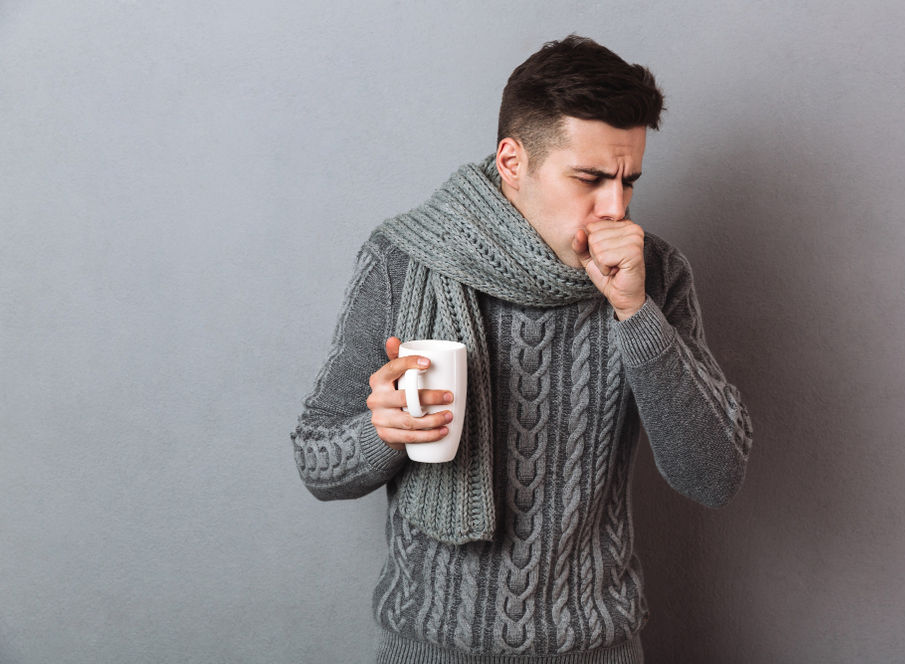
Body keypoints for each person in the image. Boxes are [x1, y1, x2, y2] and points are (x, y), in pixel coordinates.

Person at [291, 35, 753, 663]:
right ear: (513, 161)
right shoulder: (404, 262)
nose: (615, 208)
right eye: (589, 178)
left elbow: (714, 476)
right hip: (431, 648)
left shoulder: (656, 274)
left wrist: (634, 313)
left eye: (629, 180)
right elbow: (317, 462)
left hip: (596, 646)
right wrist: (385, 433)